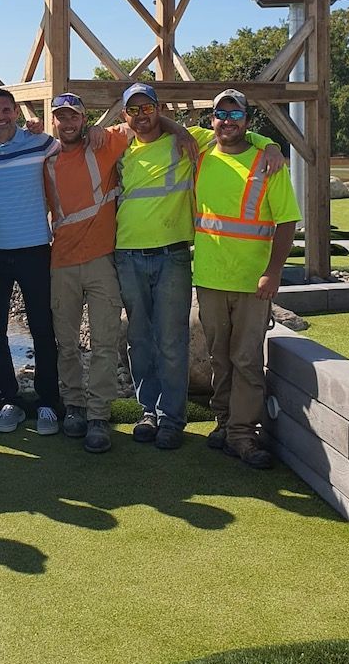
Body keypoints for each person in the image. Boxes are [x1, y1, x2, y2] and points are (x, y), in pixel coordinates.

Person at [115, 82, 283, 451]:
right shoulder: (117, 143)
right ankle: (149, 412)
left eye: (148, 109)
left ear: (159, 109)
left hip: (173, 254)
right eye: (134, 110)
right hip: (127, 255)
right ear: (124, 114)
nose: (141, 116)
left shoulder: (191, 140)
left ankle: (173, 419)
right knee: (139, 339)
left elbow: (237, 133)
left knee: (172, 341)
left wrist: (269, 144)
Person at [43, 91, 198, 453]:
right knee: (67, 344)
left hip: (104, 260)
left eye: (74, 116)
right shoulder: (43, 159)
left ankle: (99, 415)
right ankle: (76, 408)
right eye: (60, 117)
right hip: (63, 262)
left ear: (85, 119)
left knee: (105, 342)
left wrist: (181, 129)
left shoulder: (106, 142)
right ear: (53, 121)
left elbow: (149, 122)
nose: (67, 123)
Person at [193, 89, 300, 469]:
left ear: (248, 122)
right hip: (209, 277)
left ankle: (243, 434)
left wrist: (273, 272)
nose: (228, 121)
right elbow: (162, 126)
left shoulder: (267, 163)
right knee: (219, 358)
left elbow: (287, 221)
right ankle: (224, 423)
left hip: (252, 282)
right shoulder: (201, 151)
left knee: (247, 359)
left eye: (236, 116)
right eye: (221, 114)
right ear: (212, 120)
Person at [0, 88, 61, 435]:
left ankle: (48, 402)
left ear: (16, 113)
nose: (1, 116)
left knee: (42, 328)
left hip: (35, 249)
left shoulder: (39, 142)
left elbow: (75, 145)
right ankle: (9, 399)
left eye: (7, 110)